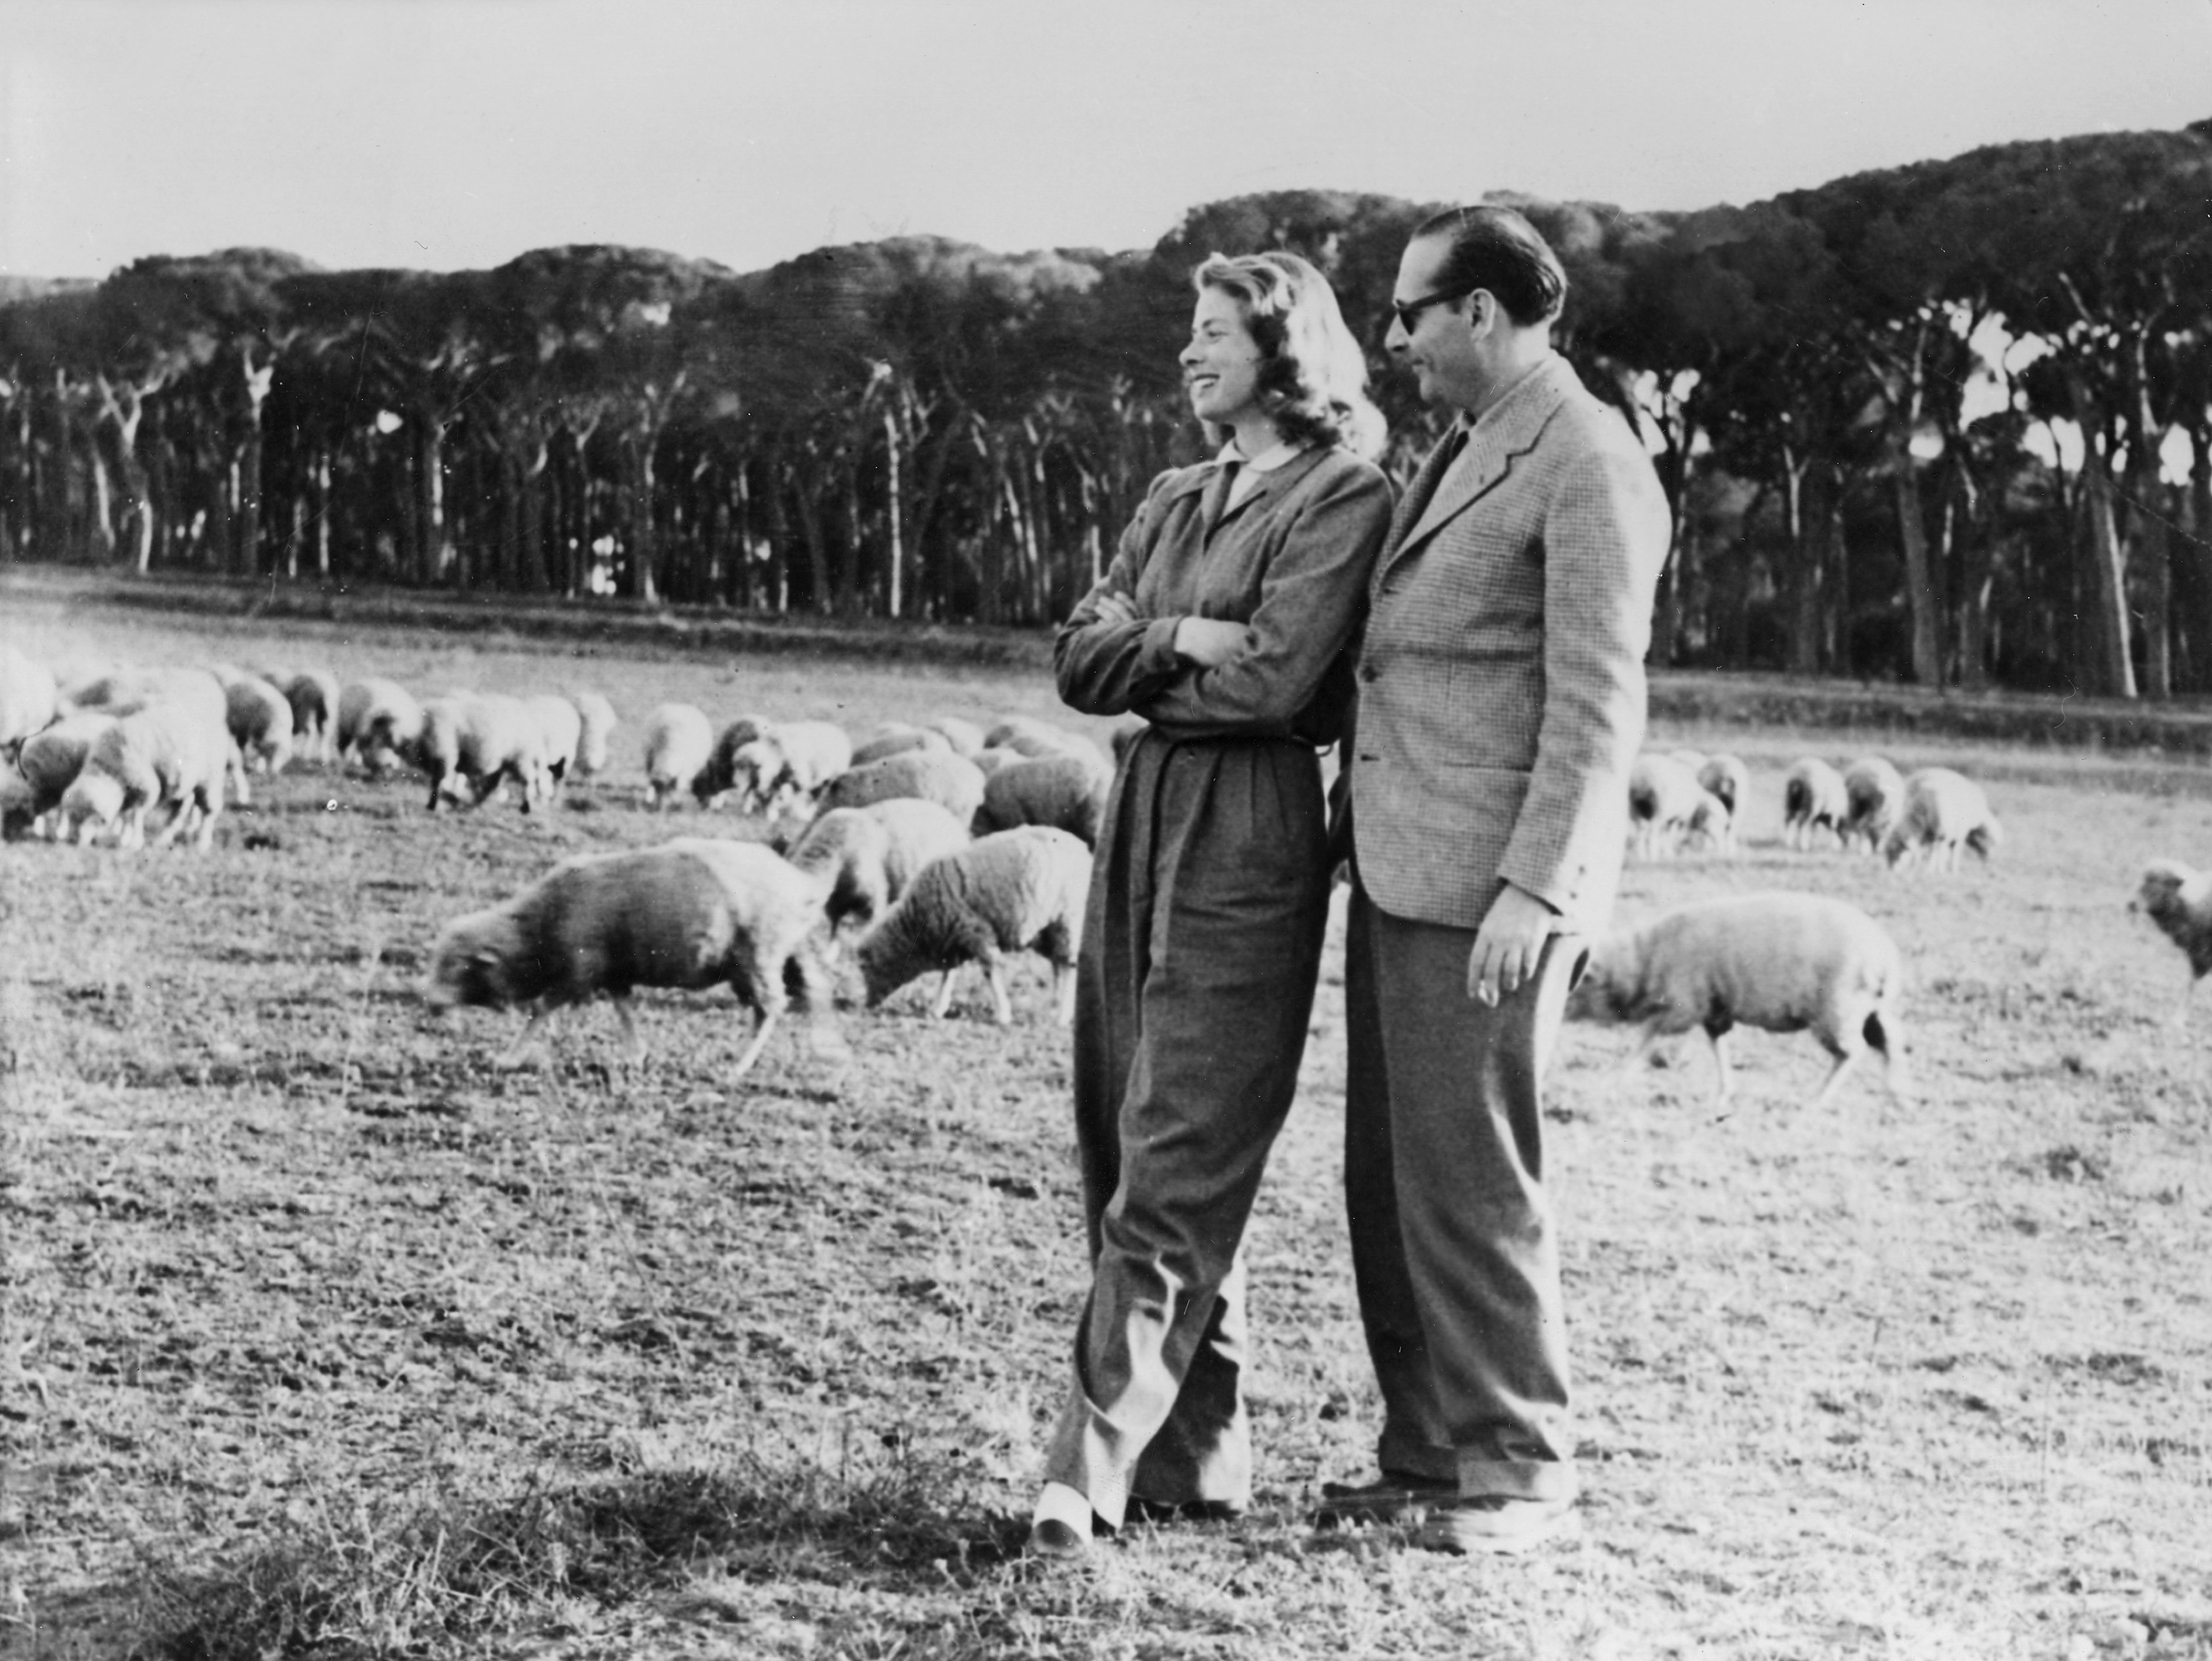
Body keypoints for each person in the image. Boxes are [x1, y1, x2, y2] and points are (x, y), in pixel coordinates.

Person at [1319, 205, 1669, 1554]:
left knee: (1473, 1175)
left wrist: (1538, 888)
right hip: (1404, 870)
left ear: (1482, 313)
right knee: (1393, 1177)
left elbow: (1596, 705)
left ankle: (1521, 1460)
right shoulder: (1472, 443)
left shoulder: (1584, 458)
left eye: (1410, 311)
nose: (1393, 335)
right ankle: (1427, 1450)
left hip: (1488, 893)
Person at [1034, 250, 1392, 1559]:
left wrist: (1160, 653)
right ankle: (1201, 1456)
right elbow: (1078, 656)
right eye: (1186, 331)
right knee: (1121, 1132)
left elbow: (1280, 687)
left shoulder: (1345, 496)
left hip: (1251, 825)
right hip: (1137, 812)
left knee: (1185, 1140)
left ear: (1283, 348)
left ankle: (1088, 1466)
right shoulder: (1177, 491)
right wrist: (1182, 643)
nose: (1187, 353)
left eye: (1212, 332)